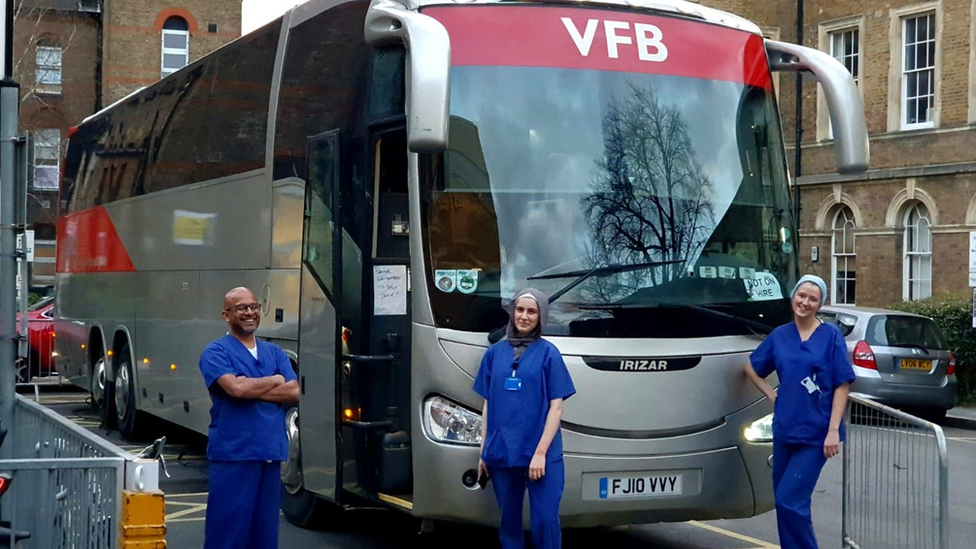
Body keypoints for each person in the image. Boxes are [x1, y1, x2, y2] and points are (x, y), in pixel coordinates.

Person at [744, 274, 855, 549]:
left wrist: (832, 431)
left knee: (789, 500)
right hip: (784, 430)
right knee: (786, 503)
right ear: (793, 296)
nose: (805, 302)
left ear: (819, 305)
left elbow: (842, 384)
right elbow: (751, 367)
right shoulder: (780, 335)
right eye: (801, 295)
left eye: (813, 299)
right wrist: (771, 394)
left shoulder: (831, 336)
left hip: (817, 434)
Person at [474, 288, 576, 549]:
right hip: (502, 450)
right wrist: (484, 451)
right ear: (512, 313)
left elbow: (556, 408)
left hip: (541, 453)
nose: (524, 316)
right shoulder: (494, 354)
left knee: (545, 521)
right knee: (508, 522)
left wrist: (540, 453)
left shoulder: (549, 354)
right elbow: (488, 404)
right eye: (520, 310)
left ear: (541, 316)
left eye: (532, 311)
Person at [199, 287, 300, 549]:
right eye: (241, 308)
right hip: (234, 454)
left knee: (264, 536)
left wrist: (250, 388)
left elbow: (294, 391)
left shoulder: (274, 352)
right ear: (226, 315)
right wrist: (274, 380)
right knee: (228, 533)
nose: (249, 313)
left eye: (254, 307)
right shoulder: (215, 352)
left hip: (269, 452)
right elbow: (235, 389)